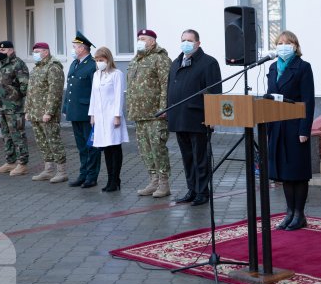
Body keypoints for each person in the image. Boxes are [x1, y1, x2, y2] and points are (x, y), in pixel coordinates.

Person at [266, 30, 315, 230]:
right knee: (285, 173)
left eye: (287, 42)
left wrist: (305, 129)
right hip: (277, 126)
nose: (283, 45)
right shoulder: (271, 67)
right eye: (280, 42)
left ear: (295, 46)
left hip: (295, 126)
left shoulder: (303, 67)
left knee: (298, 171)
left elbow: (308, 100)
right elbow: (270, 96)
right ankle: (289, 212)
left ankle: (299, 214)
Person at [168, 29, 222, 206]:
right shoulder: (176, 62)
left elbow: (215, 92)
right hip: (179, 117)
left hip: (198, 117)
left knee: (201, 158)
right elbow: (170, 89)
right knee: (187, 157)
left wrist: (213, 117)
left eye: (189, 40)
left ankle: (202, 191)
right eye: (183, 40)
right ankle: (192, 189)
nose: (186, 43)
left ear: (198, 43)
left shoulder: (208, 63)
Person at [127, 29, 172, 198]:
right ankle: (153, 181)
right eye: (138, 38)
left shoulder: (160, 59)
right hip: (139, 114)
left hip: (155, 114)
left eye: (143, 39)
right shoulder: (136, 60)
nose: (139, 41)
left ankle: (163, 183)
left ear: (152, 41)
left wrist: (163, 108)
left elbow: (165, 86)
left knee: (158, 148)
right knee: (145, 150)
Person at [63, 31, 102, 189]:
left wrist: (95, 112)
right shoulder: (75, 63)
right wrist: (66, 107)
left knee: (91, 146)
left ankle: (92, 176)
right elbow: (70, 87)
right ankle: (83, 174)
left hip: (87, 112)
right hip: (75, 111)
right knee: (81, 146)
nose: (73, 49)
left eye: (75, 47)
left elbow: (96, 90)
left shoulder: (92, 65)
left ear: (83, 48)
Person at [26, 42, 68, 183]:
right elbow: (30, 92)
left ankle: (61, 171)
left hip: (47, 114)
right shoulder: (36, 69)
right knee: (42, 142)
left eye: (38, 51)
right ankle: (48, 170)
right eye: (34, 51)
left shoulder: (53, 67)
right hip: (35, 113)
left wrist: (49, 112)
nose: (35, 54)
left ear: (46, 52)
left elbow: (54, 92)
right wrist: (27, 110)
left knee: (53, 140)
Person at [89, 47, 129, 192]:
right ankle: (110, 179)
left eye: (102, 60)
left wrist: (117, 115)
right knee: (105, 148)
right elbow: (93, 95)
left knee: (114, 147)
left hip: (112, 116)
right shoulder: (96, 74)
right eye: (97, 60)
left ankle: (115, 179)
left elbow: (119, 95)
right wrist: (92, 115)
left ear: (108, 59)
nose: (99, 63)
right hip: (100, 118)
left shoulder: (116, 74)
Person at [0, 41, 30, 176]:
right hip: (3, 107)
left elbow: (24, 86)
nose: (1, 53)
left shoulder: (18, 64)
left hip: (14, 107)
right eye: (0, 50)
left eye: (4, 50)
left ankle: (22, 163)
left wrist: (18, 100)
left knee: (18, 135)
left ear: (11, 50)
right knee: (6, 135)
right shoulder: (2, 64)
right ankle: (10, 161)